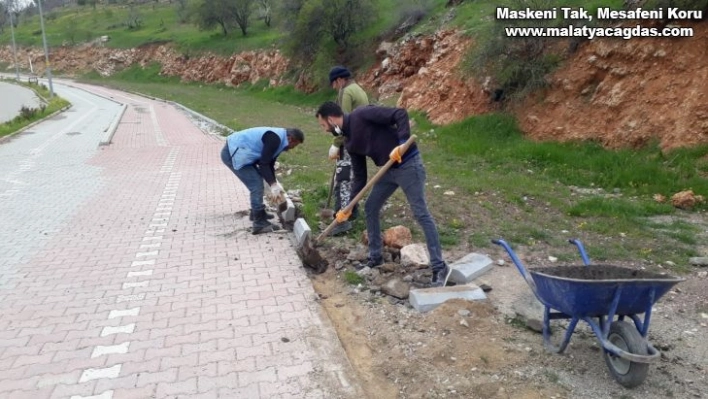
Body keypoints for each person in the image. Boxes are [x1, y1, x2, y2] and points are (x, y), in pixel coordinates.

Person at [315, 101, 450, 287]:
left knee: (420, 213)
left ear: (331, 119)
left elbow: (400, 114)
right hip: (387, 171)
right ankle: (375, 256)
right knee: (371, 207)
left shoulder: (362, 115)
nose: (324, 130)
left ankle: (439, 266)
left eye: (323, 125)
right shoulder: (350, 142)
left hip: (408, 164)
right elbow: (360, 178)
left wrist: (402, 143)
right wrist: (349, 206)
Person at [221, 127, 304, 235]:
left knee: (258, 180)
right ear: (291, 139)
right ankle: (259, 223)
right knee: (256, 185)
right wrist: (273, 185)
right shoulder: (275, 139)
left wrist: (274, 184)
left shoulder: (279, 139)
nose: (293, 148)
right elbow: (263, 164)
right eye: (295, 145)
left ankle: (258, 213)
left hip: (241, 151)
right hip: (233, 154)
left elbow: (269, 163)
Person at [327, 66, 370, 236]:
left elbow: (341, 121)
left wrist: (336, 143)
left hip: (350, 141)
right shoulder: (358, 88)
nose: (334, 87)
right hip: (361, 140)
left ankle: (341, 220)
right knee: (355, 177)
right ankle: (353, 211)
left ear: (339, 80)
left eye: (334, 84)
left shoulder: (346, 92)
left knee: (343, 179)